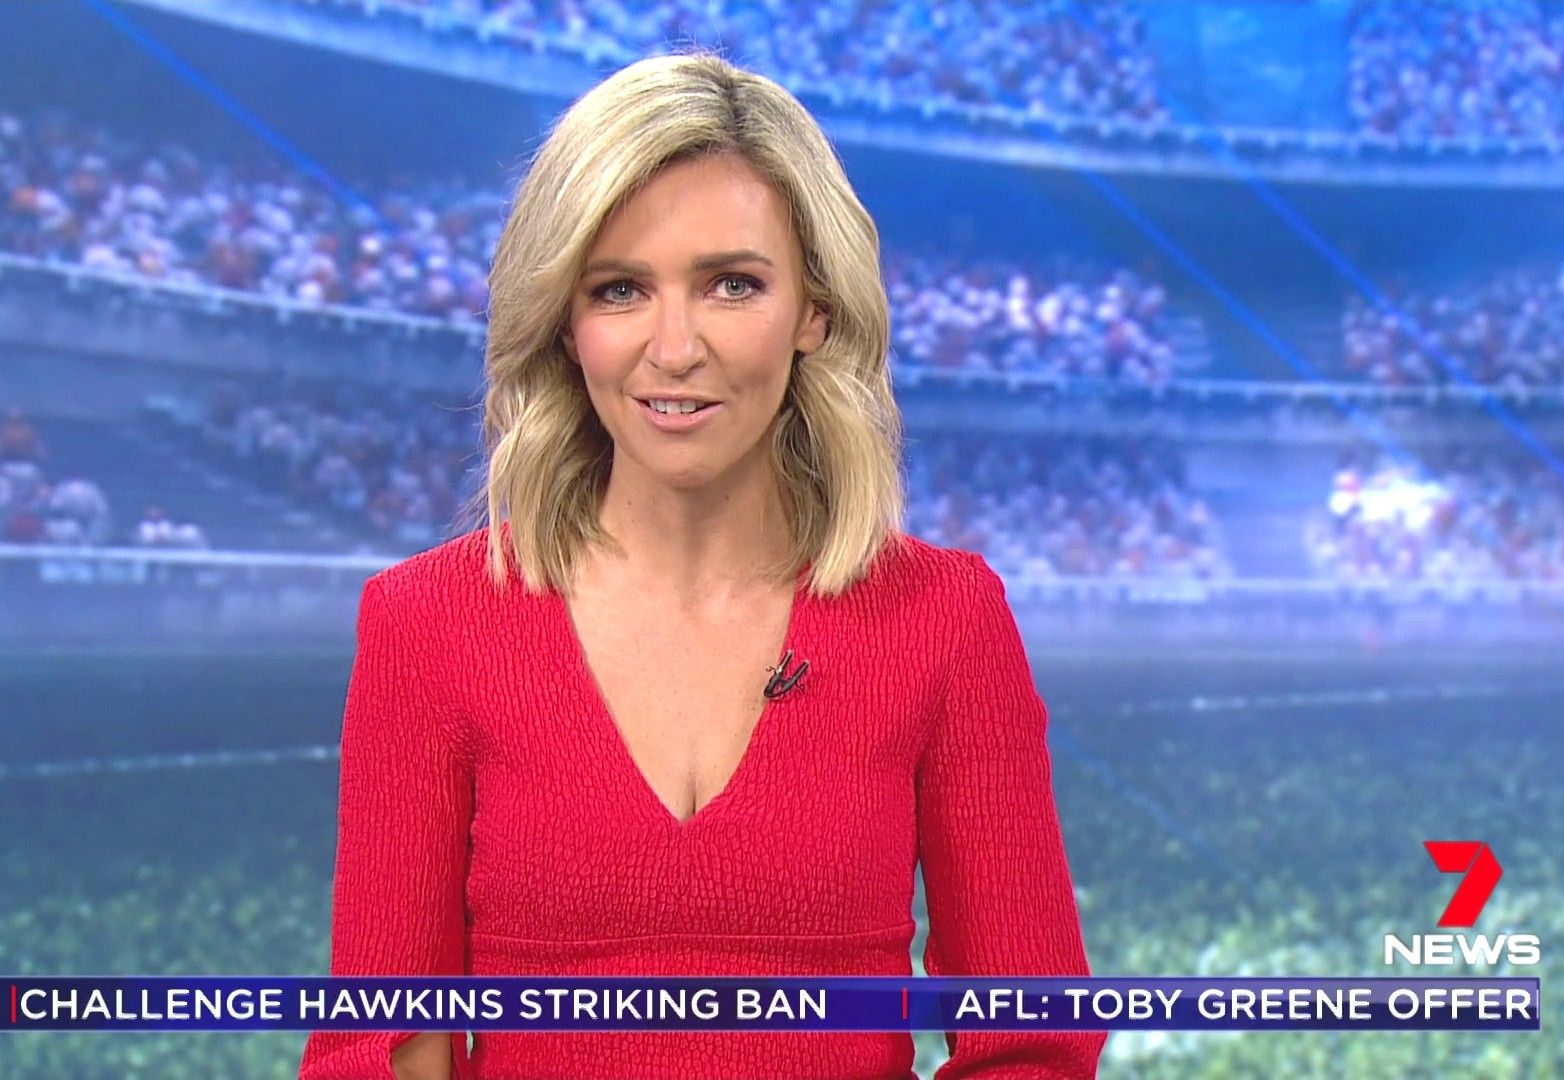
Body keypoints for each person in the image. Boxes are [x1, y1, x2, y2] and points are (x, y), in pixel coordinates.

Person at [299, 50, 1102, 1080]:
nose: (674, 348)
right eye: (620, 289)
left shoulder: (945, 618)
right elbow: (386, 1043)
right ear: (566, 323)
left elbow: (1031, 1041)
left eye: (732, 285)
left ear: (814, 309)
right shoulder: (427, 623)